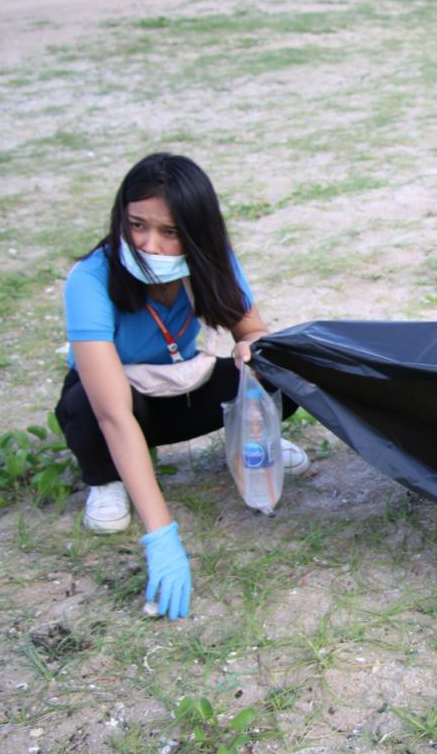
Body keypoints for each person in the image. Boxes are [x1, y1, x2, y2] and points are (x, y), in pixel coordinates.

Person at [55, 153, 309, 621]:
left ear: (196, 233)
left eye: (169, 232)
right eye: (137, 225)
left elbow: (254, 330)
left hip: (180, 381)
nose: (149, 245)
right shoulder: (90, 279)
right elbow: (115, 413)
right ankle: (106, 477)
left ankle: (250, 441)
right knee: (88, 408)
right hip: (122, 404)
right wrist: (162, 537)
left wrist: (249, 350)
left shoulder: (212, 262)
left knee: (279, 367)